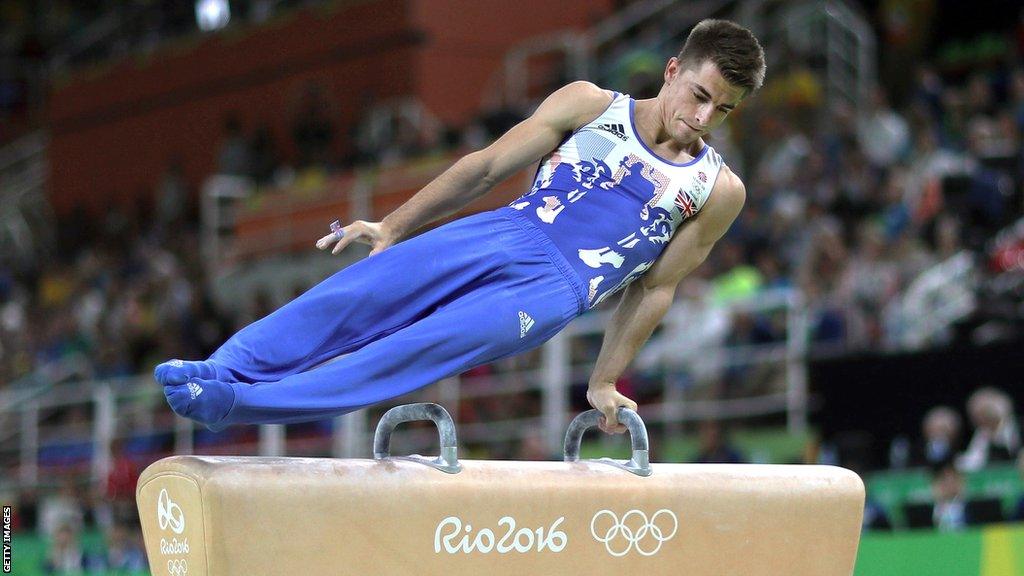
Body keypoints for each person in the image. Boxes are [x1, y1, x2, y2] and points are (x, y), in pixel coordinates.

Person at [156, 19, 765, 436]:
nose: (704, 118)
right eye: (700, 94)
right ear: (672, 69)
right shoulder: (590, 104)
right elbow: (486, 167)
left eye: (725, 110)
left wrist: (603, 381)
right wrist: (393, 225)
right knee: (356, 295)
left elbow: (655, 287)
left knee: (410, 351)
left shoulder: (717, 190)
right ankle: (220, 370)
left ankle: (238, 404)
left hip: (554, 290)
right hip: (506, 230)